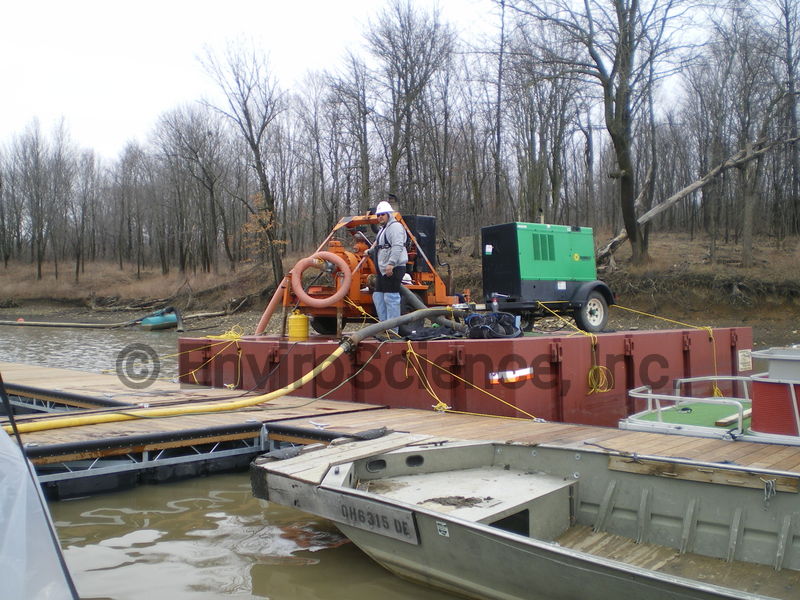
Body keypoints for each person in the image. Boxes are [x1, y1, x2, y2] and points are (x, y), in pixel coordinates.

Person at [371, 198, 408, 333]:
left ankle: (393, 331)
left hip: (394, 268)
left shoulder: (395, 227)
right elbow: (377, 243)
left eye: (382, 214)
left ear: (389, 214)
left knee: (391, 297)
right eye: (378, 215)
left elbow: (397, 246)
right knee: (378, 296)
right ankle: (384, 327)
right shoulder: (383, 229)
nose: (380, 217)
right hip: (382, 269)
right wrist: (369, 250)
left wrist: (391, 263)